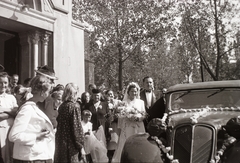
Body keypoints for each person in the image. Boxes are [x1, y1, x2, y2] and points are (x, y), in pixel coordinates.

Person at [9, 75, 55, 163]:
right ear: (42, 92)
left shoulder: (34, 107)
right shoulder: (27, 109)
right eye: (48, 92)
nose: (48, 95)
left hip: (36, 156)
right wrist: (36, 136)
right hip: (30, 158)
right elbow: (14, 136)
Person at [112, 82, 146, 163]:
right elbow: (120, 116)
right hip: (127, 126)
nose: (134, 93)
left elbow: (144, 114)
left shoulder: (141, 102)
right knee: (127, 143)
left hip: (138, 126)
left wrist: (138, 118)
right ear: (128, 92)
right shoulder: (123, 103)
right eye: (132, 91)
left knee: (138, 143)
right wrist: (128, 116)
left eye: (135, 91)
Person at [54, 83, 85, 163]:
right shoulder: (74, 107)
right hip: (71, 146)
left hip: (60, 143)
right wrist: (81, 146)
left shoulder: (62, 106)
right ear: (74, 93)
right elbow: (76, 128)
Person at [0, 72, 18, 163]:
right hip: (1, 128)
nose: (3, 85)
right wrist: (10, 112)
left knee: (9, 156)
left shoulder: (11, 98)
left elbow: (16, 112)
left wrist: (3, 109)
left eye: (5, 83)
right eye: (1, 82)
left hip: (10, 129)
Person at [104, 90, 120, 163]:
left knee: (116, 141)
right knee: (109, 142)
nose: (110, 95)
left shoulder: (118, 102)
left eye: (112, 94)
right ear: (106, 95)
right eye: (109, 94)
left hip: (116, 125)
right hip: (108, 125)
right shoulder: (104, 103)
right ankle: (110, 159)